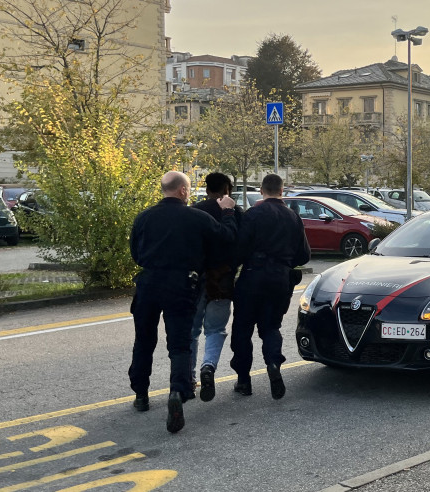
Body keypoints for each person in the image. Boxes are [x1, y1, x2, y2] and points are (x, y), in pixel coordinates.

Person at [128, 171, 237, 433]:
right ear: (184, 191)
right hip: (181, 284)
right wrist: (228, 212)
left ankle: (141, 395)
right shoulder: (196, 218)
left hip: (148, 283)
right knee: (179, 344)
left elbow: (135, 252)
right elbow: (226, 239)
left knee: (144, 340)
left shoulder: (144, 217)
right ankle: (178, 391)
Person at [230, 173, 310, 400]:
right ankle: (273, 364)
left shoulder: (253, 214)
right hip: (280, 279)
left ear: (262, 191)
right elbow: (304, 255)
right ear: (282, 191)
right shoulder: (293, 216)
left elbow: (239, 249)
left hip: (253, 276)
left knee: (243, 329)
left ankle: (244, 380)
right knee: (271, 327)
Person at [190, 172, 240, 402]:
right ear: (227, 189)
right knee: (215, 329)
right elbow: (241, 245)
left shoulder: (194, 211)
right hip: (222, 281)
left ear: (207, 188)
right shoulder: (236, 213)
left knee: (192, 331)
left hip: (196, 279)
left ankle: (189, 379)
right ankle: (208, 366)